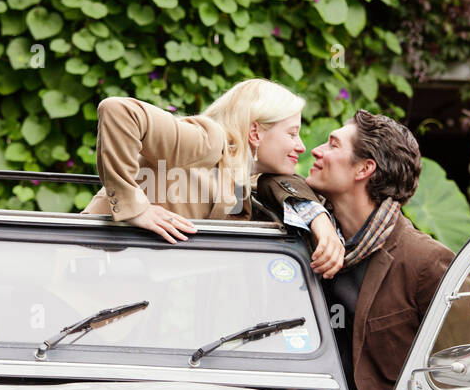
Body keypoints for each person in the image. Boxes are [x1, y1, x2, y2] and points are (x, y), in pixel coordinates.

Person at [258, 110, 470, 390]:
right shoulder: (309, 234)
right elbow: (271, 179)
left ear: (364, 168)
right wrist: (318, 220)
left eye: (333, 145)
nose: (315, 151)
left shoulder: (427, 262)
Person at [81, 79, 345, 277]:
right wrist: (134, 206)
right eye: (291, 133)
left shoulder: (242, 177)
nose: (301, 146)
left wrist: (321, 222)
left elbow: (287, 184)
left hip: (118, 279)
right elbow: (118, 111)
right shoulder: (210, 140)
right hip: (83, 264)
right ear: (255, 132)